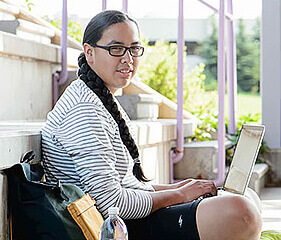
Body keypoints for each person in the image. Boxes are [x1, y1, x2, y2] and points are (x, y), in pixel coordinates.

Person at [41, 10, 262, 240]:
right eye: (116, 49)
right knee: (241, 212)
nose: (128, 59)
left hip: (131, 217)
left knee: (247, 198)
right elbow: (110, 203)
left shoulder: (101, 100)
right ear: (89, 52)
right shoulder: (82, 110)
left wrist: (181, 188)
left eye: (134, 49)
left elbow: (126, 187)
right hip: (115, 228)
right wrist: (179, 195)